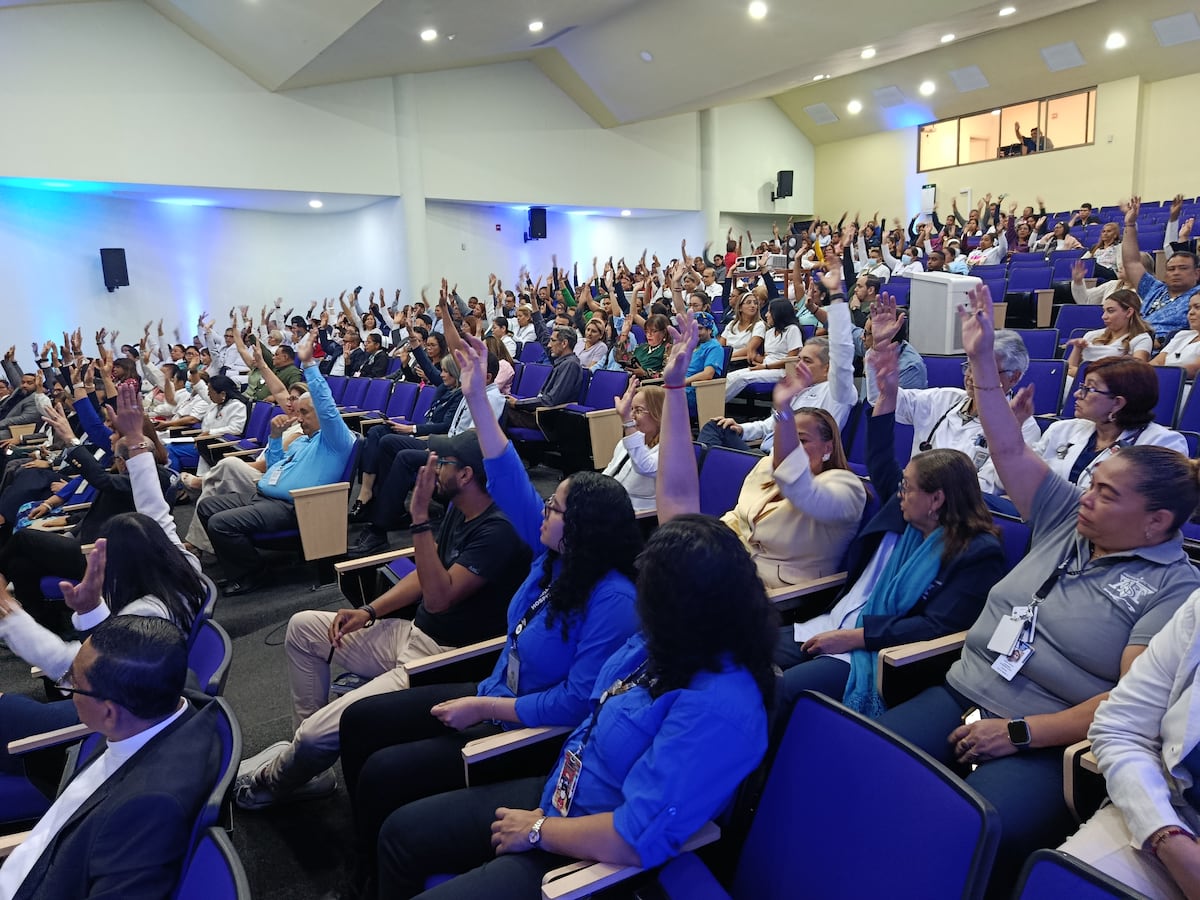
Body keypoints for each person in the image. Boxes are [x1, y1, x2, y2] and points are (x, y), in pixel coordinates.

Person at [874, 284, 1200, 898]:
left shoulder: (1174, 590)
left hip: (1047, 741)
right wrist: (980, 364)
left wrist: (1021, 730)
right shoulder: (1066, 517)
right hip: (964, 687)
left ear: (1157, 522)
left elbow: (1130, 705)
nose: (1088, 495)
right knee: (869, 766)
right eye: (1092, 485)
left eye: (1107, 493)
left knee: (958, 832)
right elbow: (1007, 447)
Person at [337, 330, 641, 881]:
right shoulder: (555, 557)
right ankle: (363, 865)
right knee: (360, 721)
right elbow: (508, 475)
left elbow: (576, 702)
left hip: (523, 731)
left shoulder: (614, 599)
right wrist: (477, 396)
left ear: (584, 530)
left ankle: (369, 877)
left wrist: (487, 710)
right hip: (493, 693)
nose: (543, 510)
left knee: (386, 776)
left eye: (556, 507)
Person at [373, 514, 775, 900]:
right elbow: (592, 707)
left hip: (590, 858)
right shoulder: (667, 642)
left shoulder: (720, 708)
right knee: (400, 833)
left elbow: (634, 838)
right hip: (559, 793)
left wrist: (538, 829)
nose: (642, 608)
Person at [234, 430, 532, 810]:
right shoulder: (461, 508)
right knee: (304, 627)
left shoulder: (498, 531)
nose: (432, 470)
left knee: (314, 737)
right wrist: (369, 611)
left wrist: (420, 518)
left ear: (466, 475)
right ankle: (308, 771)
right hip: (411, 634)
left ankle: (274, 781)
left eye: (441, 464)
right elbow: (425, 574)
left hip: (438, 660)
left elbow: (439, 599)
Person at [774, 330, 1005, 720]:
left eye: (908, 487)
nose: (898, 491)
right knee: (736, 652)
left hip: (875, 653)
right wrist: (887, 394)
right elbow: (879, 458)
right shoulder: (904, 512)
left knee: (781, 691)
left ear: (937, 500)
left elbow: (934, 627)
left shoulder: (977, 552)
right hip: (831, 622)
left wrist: (853, 638)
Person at [0, 616, 222, 900]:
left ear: (108, 713)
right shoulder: (174, 695)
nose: (66, 689)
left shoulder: (146, 808)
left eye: (71, 683)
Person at [659, 314, 865, 591]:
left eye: (800, 439)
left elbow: (799, 487)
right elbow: (685, 506)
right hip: (720, 573)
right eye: (799, 358)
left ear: (829, 447)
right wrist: (674, 387)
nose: (799, 364)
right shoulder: (767, 466)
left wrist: (784, 412)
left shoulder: (847, 487)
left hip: (775, 599)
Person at [1058, 593, 1200, 899]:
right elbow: (1119, 727)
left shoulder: (1170, 582)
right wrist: (1165, 835)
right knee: (1060, 888)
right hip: (1174, 812)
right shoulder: (1197, 610)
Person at [197, 335, 356, 596]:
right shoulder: (303, 441)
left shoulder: (335, 441)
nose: (299, 417)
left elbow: (326, 406)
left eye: (305, 413)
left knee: (220, 524)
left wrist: (309, 365)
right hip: (264, 496)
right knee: (207, 506)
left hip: (295, 508)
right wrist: (273, 438)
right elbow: (273, 466)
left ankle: (252, 574)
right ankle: (242, 565)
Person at [699, 261, 857, 453]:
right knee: (716, 426)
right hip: (764, 454)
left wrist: (838, 298)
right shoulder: (801, 392)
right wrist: (742, 429)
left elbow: (843, 353)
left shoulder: (837, 393)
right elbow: (770, 425)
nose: (799, 364)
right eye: (800, 359)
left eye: (807, 360)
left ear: (828, 367)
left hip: (789, 464)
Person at [881, 329, 1039, 496]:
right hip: (913, 498)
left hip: (961, 512)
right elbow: (889, 400)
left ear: (1013, 377)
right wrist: (880, 353)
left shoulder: (1023, 427)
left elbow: (989, 487)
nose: (971, 376)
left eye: (983, 369)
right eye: (969, 366)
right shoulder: (945, 399)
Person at [1034, 358, 1187, 490]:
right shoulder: (1062, 429)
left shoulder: (1162, 444)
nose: (1077, 394)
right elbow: (1025, 474)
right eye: (1082, 387)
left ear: (1117, 403)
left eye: (1090, 389)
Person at [1121, 197, 1200, 344]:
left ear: (1197, 273)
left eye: (1183, 268)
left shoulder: (1197, 297)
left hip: (1164, 351)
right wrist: (1130, 224)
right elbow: (1131, 262)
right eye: (1171, 269)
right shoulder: (1154, 288)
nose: (1176, 272)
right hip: (1130, 342)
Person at [503, 326, 582, 432]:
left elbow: (551, 400)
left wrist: (518, 404)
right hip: (539, 413)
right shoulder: (563, 363)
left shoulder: (570, 365)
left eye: (553, 340)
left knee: (500, 407)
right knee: (498, 403)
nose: (549, 345)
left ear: (564, 343)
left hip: (547, 419)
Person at [602, 380, 663, 513]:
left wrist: (627, 421)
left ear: (658, 414)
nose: (632, 416)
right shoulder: (627, 443)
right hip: (612, 505)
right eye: (631, 409)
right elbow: (608, 474)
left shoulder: (671, 449)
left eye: (638, 410)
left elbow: (645, 467)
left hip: (641, 516)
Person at [723, 299, 803, 400]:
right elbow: (767, 357)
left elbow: (791, 360)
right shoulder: (770, 332)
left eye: (769, 312)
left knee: (741, 378)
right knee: (729, 376)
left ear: (778, 313)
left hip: (782, 371)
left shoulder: (792, 330)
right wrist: (755, 357)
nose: (766, 315)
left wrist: (765, 366)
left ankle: (716, 406)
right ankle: (710, 404)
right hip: (766, 367)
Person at [1064, 290, 1153, 377]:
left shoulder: (1141, 339)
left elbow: (1137, 374)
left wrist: (1083, 373)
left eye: (1110, 311)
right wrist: (1077, 348)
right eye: (1104, 311)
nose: (1104, 317)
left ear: (1129, 312)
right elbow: (1069, 371)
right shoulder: (1091, 335)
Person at [1151, 295, 1200, 381]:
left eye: (1197, 307)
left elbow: (1194, 369)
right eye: (1189, 308)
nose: (1191, 312)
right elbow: (1157, 362)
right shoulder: (1182, 335)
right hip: (1160, 381)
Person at [719, 292, 766, 369]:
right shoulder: (731, 324)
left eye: (755, 303)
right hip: (726, 360)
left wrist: (727, 357)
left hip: (742, 362)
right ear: (740, 308)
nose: (753, 306)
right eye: (748, 303)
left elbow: (750, 349)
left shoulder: (759, 325)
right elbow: (721, 346)